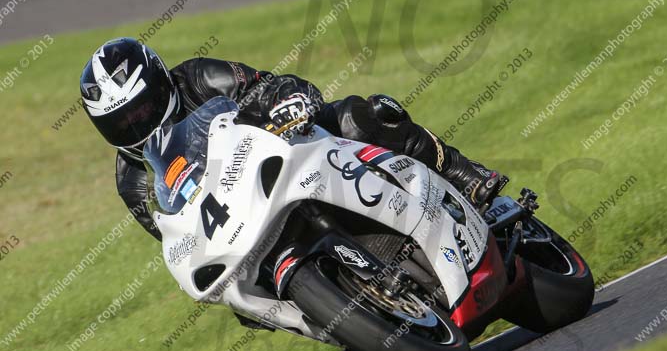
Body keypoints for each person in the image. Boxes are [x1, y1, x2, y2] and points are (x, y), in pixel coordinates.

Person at [79, 38, 507, 241]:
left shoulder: (196, 77)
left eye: (142, 109)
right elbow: (173, 237)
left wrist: (290, 101)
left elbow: (268, 84)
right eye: (122, 124)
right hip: (244, 223)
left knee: (362, 115)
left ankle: (461, 172)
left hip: (287, 153)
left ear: (159, 84)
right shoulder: (131, 180)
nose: (138, 126)